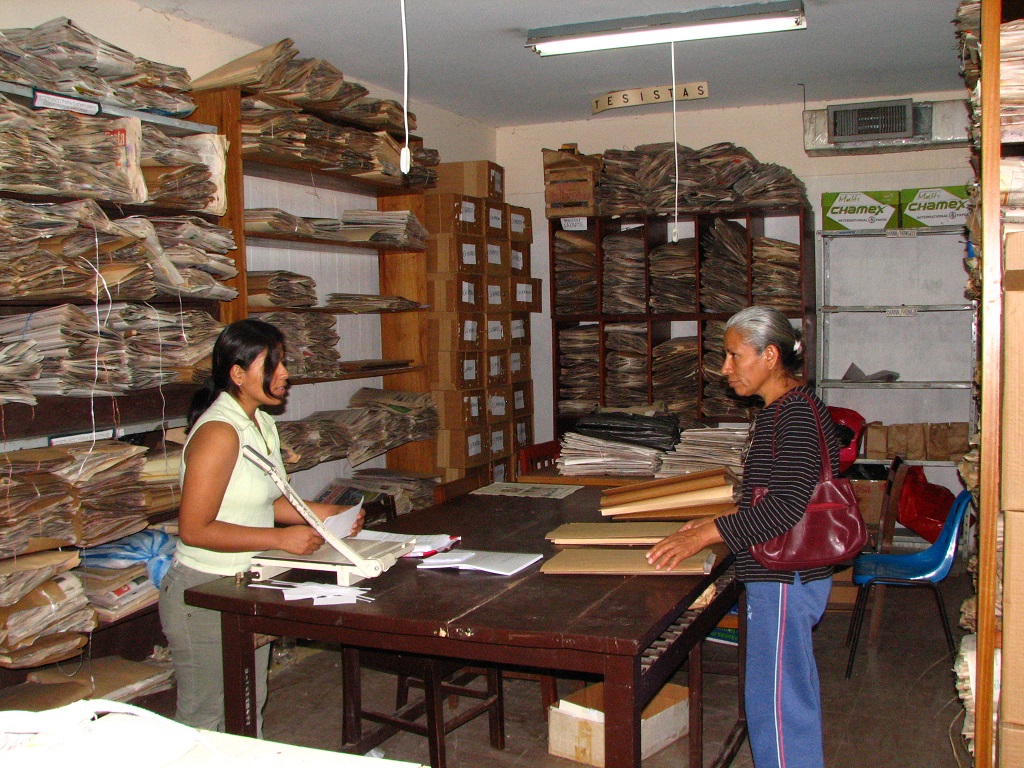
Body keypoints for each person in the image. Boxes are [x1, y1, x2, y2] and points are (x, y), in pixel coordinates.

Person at [647, 305, 838, 768]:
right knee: (782, 694)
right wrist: (712, 521)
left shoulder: (793, 415)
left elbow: (786, 508)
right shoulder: (786, 409)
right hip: (785, 573)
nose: (725, 368)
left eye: (734, 355)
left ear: (770, 356)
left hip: (786, 576)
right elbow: (775, 495)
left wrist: (706, 535)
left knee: (777, 706)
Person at [158, 318, 364, 733]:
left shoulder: (260, 423)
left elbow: (270, 499)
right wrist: (280, 540)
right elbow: (195, 529)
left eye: (283, 362)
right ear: (238, 374)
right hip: (203, 591)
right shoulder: (219, 432)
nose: (285, 373)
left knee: (249, 707)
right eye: (273, 364)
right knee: (205, 719)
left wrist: (326, 513)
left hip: (244, 584)